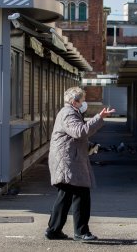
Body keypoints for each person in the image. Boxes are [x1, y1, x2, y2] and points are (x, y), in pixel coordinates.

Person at [45, 87, 115, 241]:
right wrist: (99, 117)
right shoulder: (69, 113)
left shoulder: (71, 112)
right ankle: (81, 232)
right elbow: (79, 132)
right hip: (68, 161)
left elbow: (75, 137)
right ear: (74, 101)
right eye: (82, 100)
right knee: (80, 194)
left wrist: (89, 145)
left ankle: (54, 230)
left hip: (69, 159)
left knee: (66, 195)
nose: (84, 103)